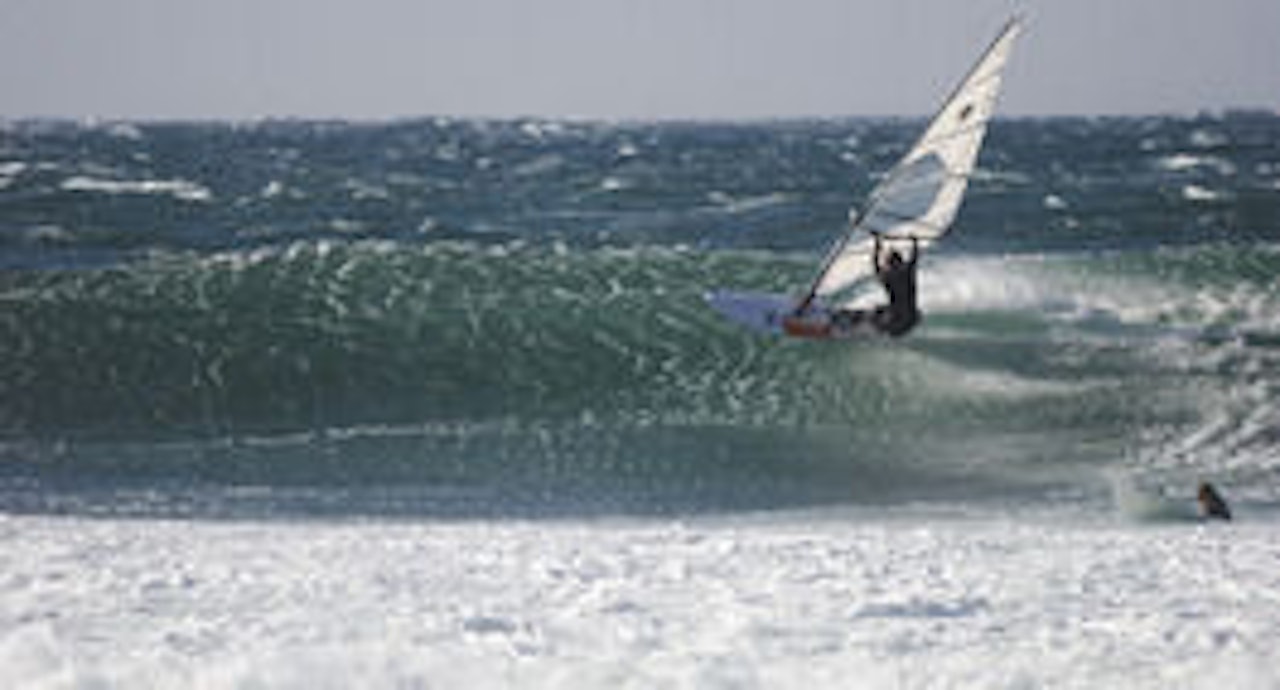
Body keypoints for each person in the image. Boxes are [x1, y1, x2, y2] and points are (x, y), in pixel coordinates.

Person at [870, 235, 921, 337]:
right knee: (880, 310)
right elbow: (914, 258)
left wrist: (877, 246)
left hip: (898, 321)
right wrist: (915, 243)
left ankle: (874, 330)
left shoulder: (888, 276)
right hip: (912, 318)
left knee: (877, 312)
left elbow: (875, 265)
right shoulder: (907, 271)